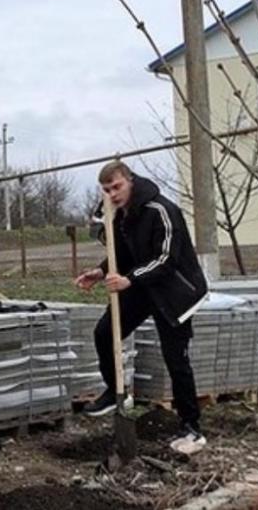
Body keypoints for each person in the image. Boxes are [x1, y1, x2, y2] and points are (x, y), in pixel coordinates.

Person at [74, 160, 208, 454]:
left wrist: (129, 280)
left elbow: (166, 259)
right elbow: (121, 254)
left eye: (117, 187)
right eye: (107, 190)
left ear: (130, 181)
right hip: (143, 286)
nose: (112, 194)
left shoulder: (161, 210)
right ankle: (115, 391)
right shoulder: (120, 215)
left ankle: (192, 427)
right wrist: (100, 272)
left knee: (175, 358)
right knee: (104, 333)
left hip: (175, 291)